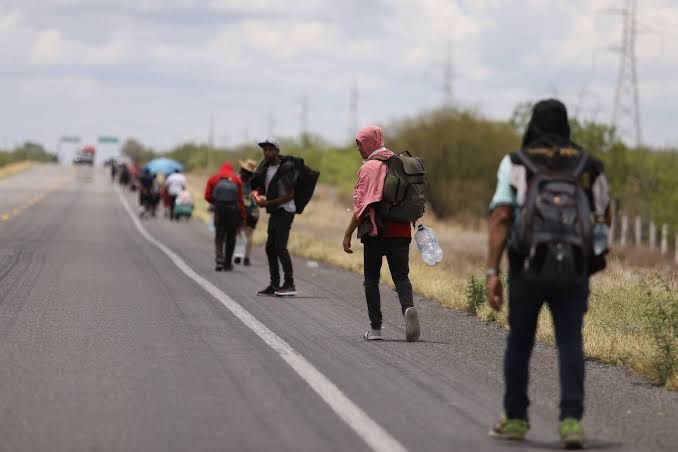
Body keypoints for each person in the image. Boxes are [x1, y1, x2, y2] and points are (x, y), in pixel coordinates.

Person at [486, 99, 610, 449]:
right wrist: (590, 261)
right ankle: (571, 422)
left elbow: (501, 218)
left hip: (527, 267)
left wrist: (492, 271)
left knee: (520, 341)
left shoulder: (516, 163)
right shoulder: (590, 166)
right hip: (574, 270)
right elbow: (603, 217)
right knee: (570, 340)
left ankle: (515, 419)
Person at [342, 125, 420, 342]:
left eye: (360, 144)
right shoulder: (399, 163)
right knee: (401, 277)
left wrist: (348, 233)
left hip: (376, 233)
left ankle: (376, 329)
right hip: (402, 231)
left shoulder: (370, 167)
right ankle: (408, 308)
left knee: (371, 279)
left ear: (369, 142)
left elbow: (362, 207)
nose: (359, 149)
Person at [250, 139, 298, 296]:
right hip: (275, 210)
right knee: (270, 247)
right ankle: (274, 284)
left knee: (280, 247)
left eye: (271, 149)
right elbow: (268, 189)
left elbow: (289, 195)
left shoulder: (286, 168)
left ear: (277, 151)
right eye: (265, 150)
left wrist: (267, 203)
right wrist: (257, 196)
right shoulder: (265, 168)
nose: (267, 153)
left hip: (286, 210)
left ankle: (289, 284)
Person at [204, 162, 246, 271]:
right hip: (233, 213)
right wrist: (242, 215)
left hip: (219, 211)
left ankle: (219, 260)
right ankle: (227, 264)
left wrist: (216, 203)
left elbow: (207, 196)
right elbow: (240, 200)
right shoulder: (237, 180)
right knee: (231, 238)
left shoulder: (213, 178)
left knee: (219, 236)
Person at [235, 159, 260, 266]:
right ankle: (247, 259)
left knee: (238, 232)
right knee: (249, 235)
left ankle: (237, 255)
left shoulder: (238, 180)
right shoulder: (257, 183)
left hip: (240, 209)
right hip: (253, 211)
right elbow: (258, 197)